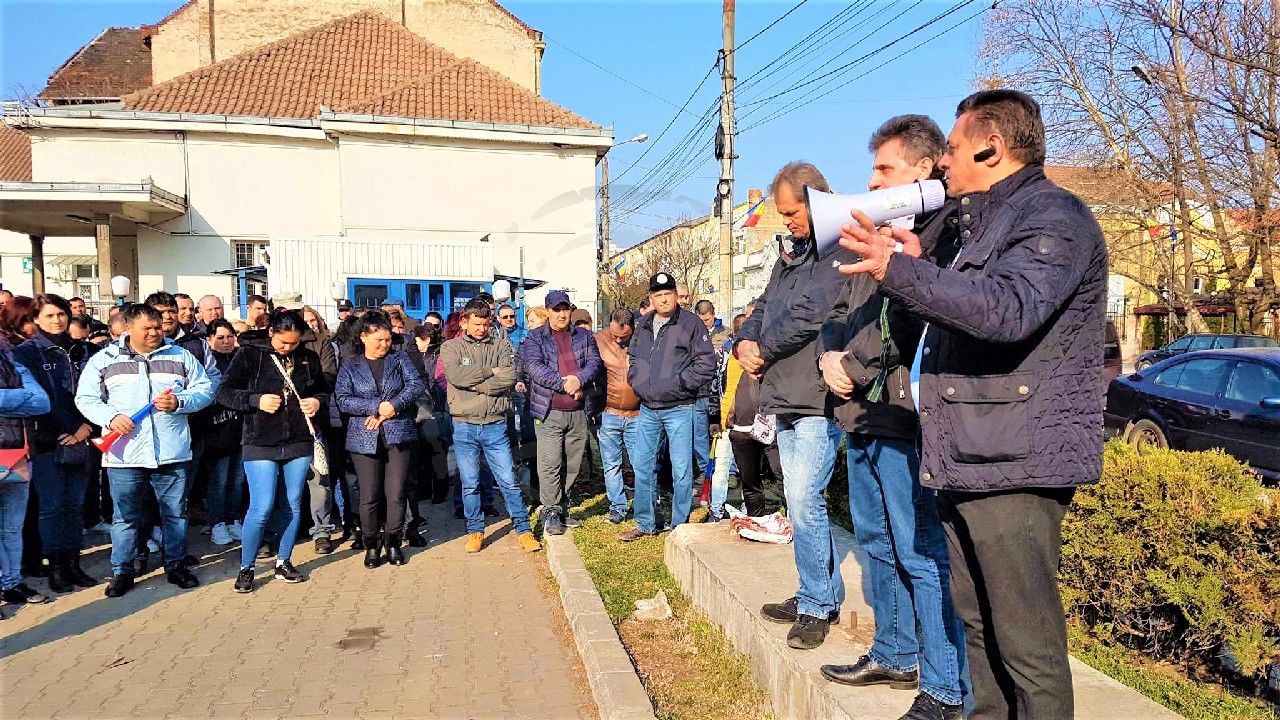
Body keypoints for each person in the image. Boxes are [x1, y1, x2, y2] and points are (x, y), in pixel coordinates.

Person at [836, 90, 1107, 720]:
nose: (943, 162)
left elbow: (1007, 311)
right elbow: (962, 304)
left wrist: (900, 273)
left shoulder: (1052, 216)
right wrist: (913, 265)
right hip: (971, 455)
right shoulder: (978, 224)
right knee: (980, 630)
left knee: (1026, 647)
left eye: (953, 150)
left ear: (991, 147)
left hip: (1014, 460)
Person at [816, 115, 967, 720]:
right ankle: (895, 651)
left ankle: (945, 687)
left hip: (904, 416)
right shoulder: (877, 230)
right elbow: (842, 313)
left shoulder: (940, 237)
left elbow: (907, 325)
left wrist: (853, 361)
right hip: (864, 414)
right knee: (879, 543)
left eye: (884, 169)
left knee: (921, 550)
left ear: (924, 169)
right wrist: (833, 354)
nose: (871, 182)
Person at [737, 162, 857, 651]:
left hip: (815, 398)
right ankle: (815, 592)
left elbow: (812, 316)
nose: (787, 221)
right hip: (783, 396)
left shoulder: (839, 249)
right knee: (798, 499)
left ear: (818, 200)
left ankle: (815, 606)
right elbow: (764, 306)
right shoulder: (791, 256)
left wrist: (763, 348)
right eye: (783, 213)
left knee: (807, 501)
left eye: (793, 212)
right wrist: (744, 340)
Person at [74, 303, 215, 598]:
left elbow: (205, 390)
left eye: (158, 327)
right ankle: (122, 570)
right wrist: (110, 418)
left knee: (175, 514)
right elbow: (85, 399)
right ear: (128, 328)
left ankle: (175, 565)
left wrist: (181, 402)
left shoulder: (181, 355)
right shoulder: (104, 360)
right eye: (146, 328)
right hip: (125, 454)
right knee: (125, 516)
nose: (154, 333)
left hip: (172, 451)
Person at [216, 309, 326, 592]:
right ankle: (247, 567)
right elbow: (224, 392)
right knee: (262, 505)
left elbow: (323, 390)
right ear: (271, 333)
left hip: (298, 439)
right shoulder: (250, 355)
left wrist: (317, 402)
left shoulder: (308, 358)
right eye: (283, 343)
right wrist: (255, 400)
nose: (288, 348)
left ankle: (284, 561)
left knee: (292, 503)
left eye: (294, 343)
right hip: (259, 440)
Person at [12, 294, 101, 593]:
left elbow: (99, 391)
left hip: (84, 437)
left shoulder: (84, 350)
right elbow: (42, 399)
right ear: (36, 319)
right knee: (52, 506)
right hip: (48, 439)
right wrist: (74, 426)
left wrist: (87, 427)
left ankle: (74, 563)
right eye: (49, 315)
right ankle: (57, 568)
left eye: (61, 314)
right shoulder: (26, 353)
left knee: (75, 506)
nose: (57, 320)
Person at [620, 273, 715, 542]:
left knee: (682, 469)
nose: (663, 298)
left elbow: (706, 363)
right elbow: (634, 357)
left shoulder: (691, 324)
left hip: (680, 408)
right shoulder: (644, 324)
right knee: (643, 465)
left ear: (676, 295)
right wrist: (637, 381)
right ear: (651, 298)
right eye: (657, 295)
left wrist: (682, 385)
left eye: (667, 293)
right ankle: (646, 522)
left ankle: (679, 526)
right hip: (648, 408)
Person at [440, 300, 540, 554]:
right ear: (464, 322)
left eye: (486, 324)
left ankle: (524, 530)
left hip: (495, 423)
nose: (482, 329)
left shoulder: (502, 345)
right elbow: (455, 377)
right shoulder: (451, 347)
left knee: (508, 480)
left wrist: (475, 382)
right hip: (464, 424)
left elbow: (507, 377)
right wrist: (489, 372)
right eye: (477, 324)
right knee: (470, 482)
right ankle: (475, 530)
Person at [335, 312, 425, 568]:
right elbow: (342, 399)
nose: (384, 345)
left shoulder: (399, 359)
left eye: (387, 339)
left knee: (396, 492)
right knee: (369, 494)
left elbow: (415, 386)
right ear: (363, 337)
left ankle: (393, 541)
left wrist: (393, 406)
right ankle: (371, 544)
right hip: (363, 435)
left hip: (398, 432)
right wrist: (377, 406)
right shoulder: (350, 365)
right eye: (378, 340)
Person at [517, 291, 602, 535]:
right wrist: (565, 384)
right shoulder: (535, 338)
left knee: (573, 464)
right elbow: (534, 367)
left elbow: (594, 364)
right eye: (557, 309)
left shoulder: (585, 336)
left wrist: (579, 380)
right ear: (549, 311)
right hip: (549, 411)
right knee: (550, 463)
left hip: (578, 411)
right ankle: (551, 510)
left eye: (566, 309)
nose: (562, 314)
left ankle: (562, 505)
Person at [0, 343, 53, 617]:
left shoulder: (10, 358)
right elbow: (28, 399)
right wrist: (18, 399)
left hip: (14, 455)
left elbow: (41, 402)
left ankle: (10, 583)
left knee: (11, 528)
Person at [195, 319, 244, 546]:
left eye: (229, 337)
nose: (226, 342)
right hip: (216, 431)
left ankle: (234, 519)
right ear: (209, 339)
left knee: (237, 480)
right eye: (220, 337)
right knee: (219, 481)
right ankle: (217, 523)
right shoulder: (208, 363)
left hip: (240, 430)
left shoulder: (240, 358)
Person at [593, 309, 639, 524]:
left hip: (637, 413)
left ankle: (644, 504)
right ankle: (617, 506)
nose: (619, 340)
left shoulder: (642, 340)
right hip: (609, 411)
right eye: (615, 336)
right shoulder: (597, 340)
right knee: (611, 463)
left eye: (624, 337)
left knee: (641, 463)